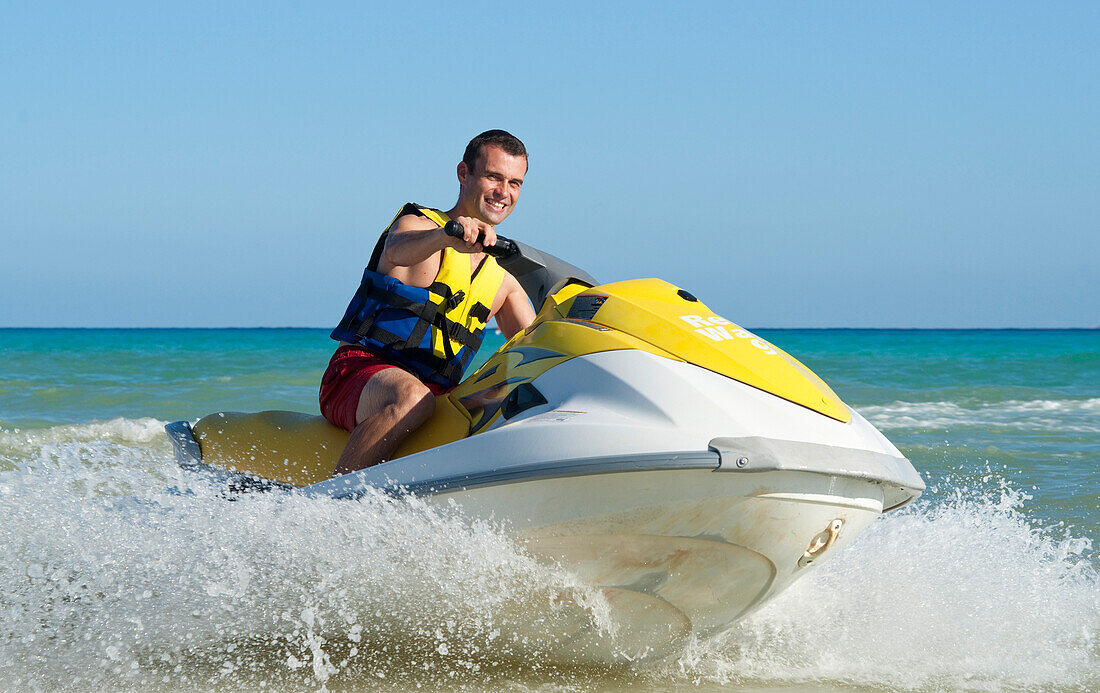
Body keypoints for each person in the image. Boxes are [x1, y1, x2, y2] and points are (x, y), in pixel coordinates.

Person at [321, 130, 535, 476]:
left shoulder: (504, 280)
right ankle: (335, 503)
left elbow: (536, 345)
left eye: (515, 183)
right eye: (494, 177)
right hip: (357, 376)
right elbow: (396, 250)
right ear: (464, 174)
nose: (504, 192)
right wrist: (446, 235)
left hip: (437, 395)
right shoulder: (418, 225)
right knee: (412, 397)